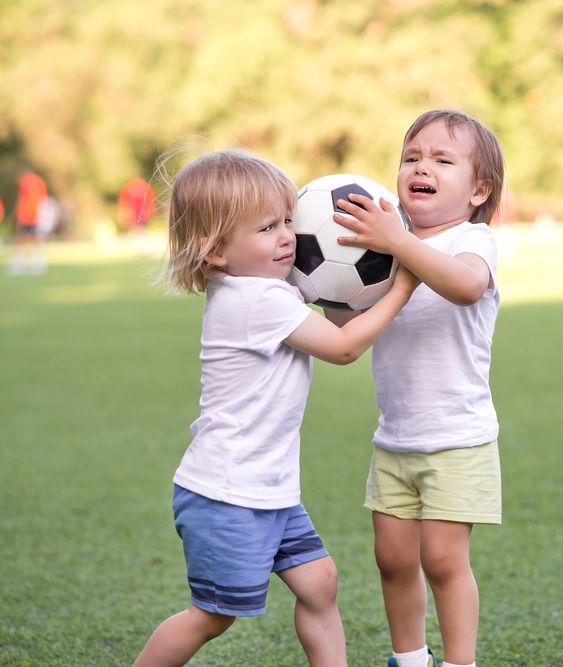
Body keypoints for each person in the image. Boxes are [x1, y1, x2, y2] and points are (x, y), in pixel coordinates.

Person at [132, 148, 418, 667]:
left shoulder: (263, 288)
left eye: (289, 220)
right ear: (215, 250)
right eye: (267, 228)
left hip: (267, 489)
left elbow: (330, 327)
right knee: (212, 616)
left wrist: (348, 288)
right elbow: (343, 347)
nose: (287, 236)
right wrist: (402, 284)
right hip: (228, 494)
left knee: (319, 584)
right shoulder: (255, 301)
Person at [331, 109, 506, 667]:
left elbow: (465, 286)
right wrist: (322, 281)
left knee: (443, 561)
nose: (421, 166)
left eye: (441, 159)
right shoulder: (382, 253)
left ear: (478, 189)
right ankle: (409, 659)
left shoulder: (471, 240)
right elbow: (343, 328)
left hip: (459, 439)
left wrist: (398, 245)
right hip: (396, 439)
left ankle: (460, 663)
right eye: (411, 157)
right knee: (392, 558)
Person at [9, 169, 48, 274]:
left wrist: (18, 215)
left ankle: (30, 263)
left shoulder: (27, 181)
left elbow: (22, 198)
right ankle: (31, 263)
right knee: (32, 240)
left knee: (25, 240)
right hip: (32, 215)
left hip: (29, 215)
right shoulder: (40, 181)